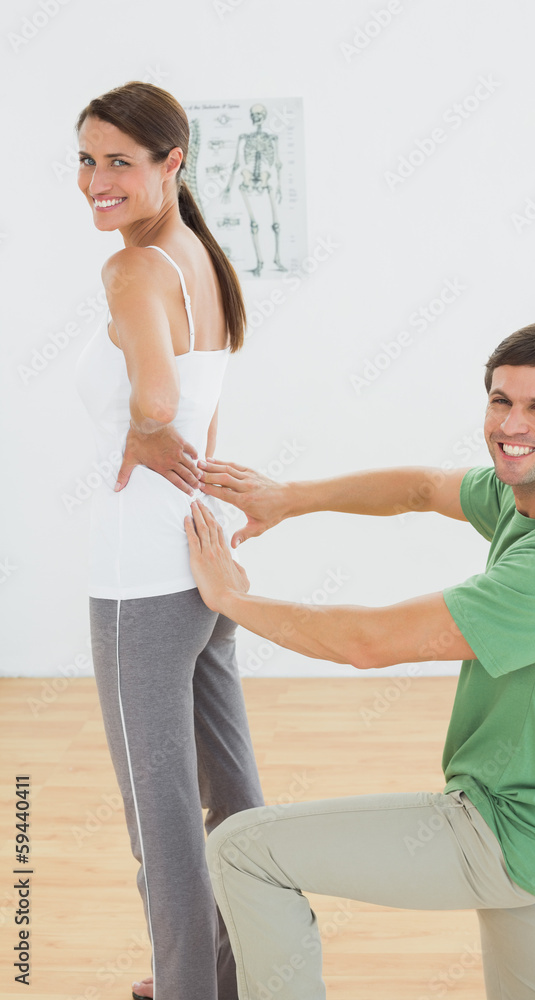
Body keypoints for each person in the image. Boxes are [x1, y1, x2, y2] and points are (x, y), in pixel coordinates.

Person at [182, 320, 535, 1000]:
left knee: (241, 849)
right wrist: (289, 498)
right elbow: (423, 487)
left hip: (503, 831)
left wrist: (229, 598)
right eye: (499, 400)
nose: (510, 424)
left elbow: (368, 644)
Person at [73, 81, 264, 1000]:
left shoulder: (135, 270)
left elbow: (159, 402)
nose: (96, 180)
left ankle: (189, 989)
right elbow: (204, 409)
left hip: (138, 580)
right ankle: (251, 972)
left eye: (119, 160)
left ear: (171, 164)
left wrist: (143, 435)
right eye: (86, 158)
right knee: (232, 791)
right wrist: (196, 490)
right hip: (199, 558)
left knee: (160, 817)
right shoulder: (202, 259)